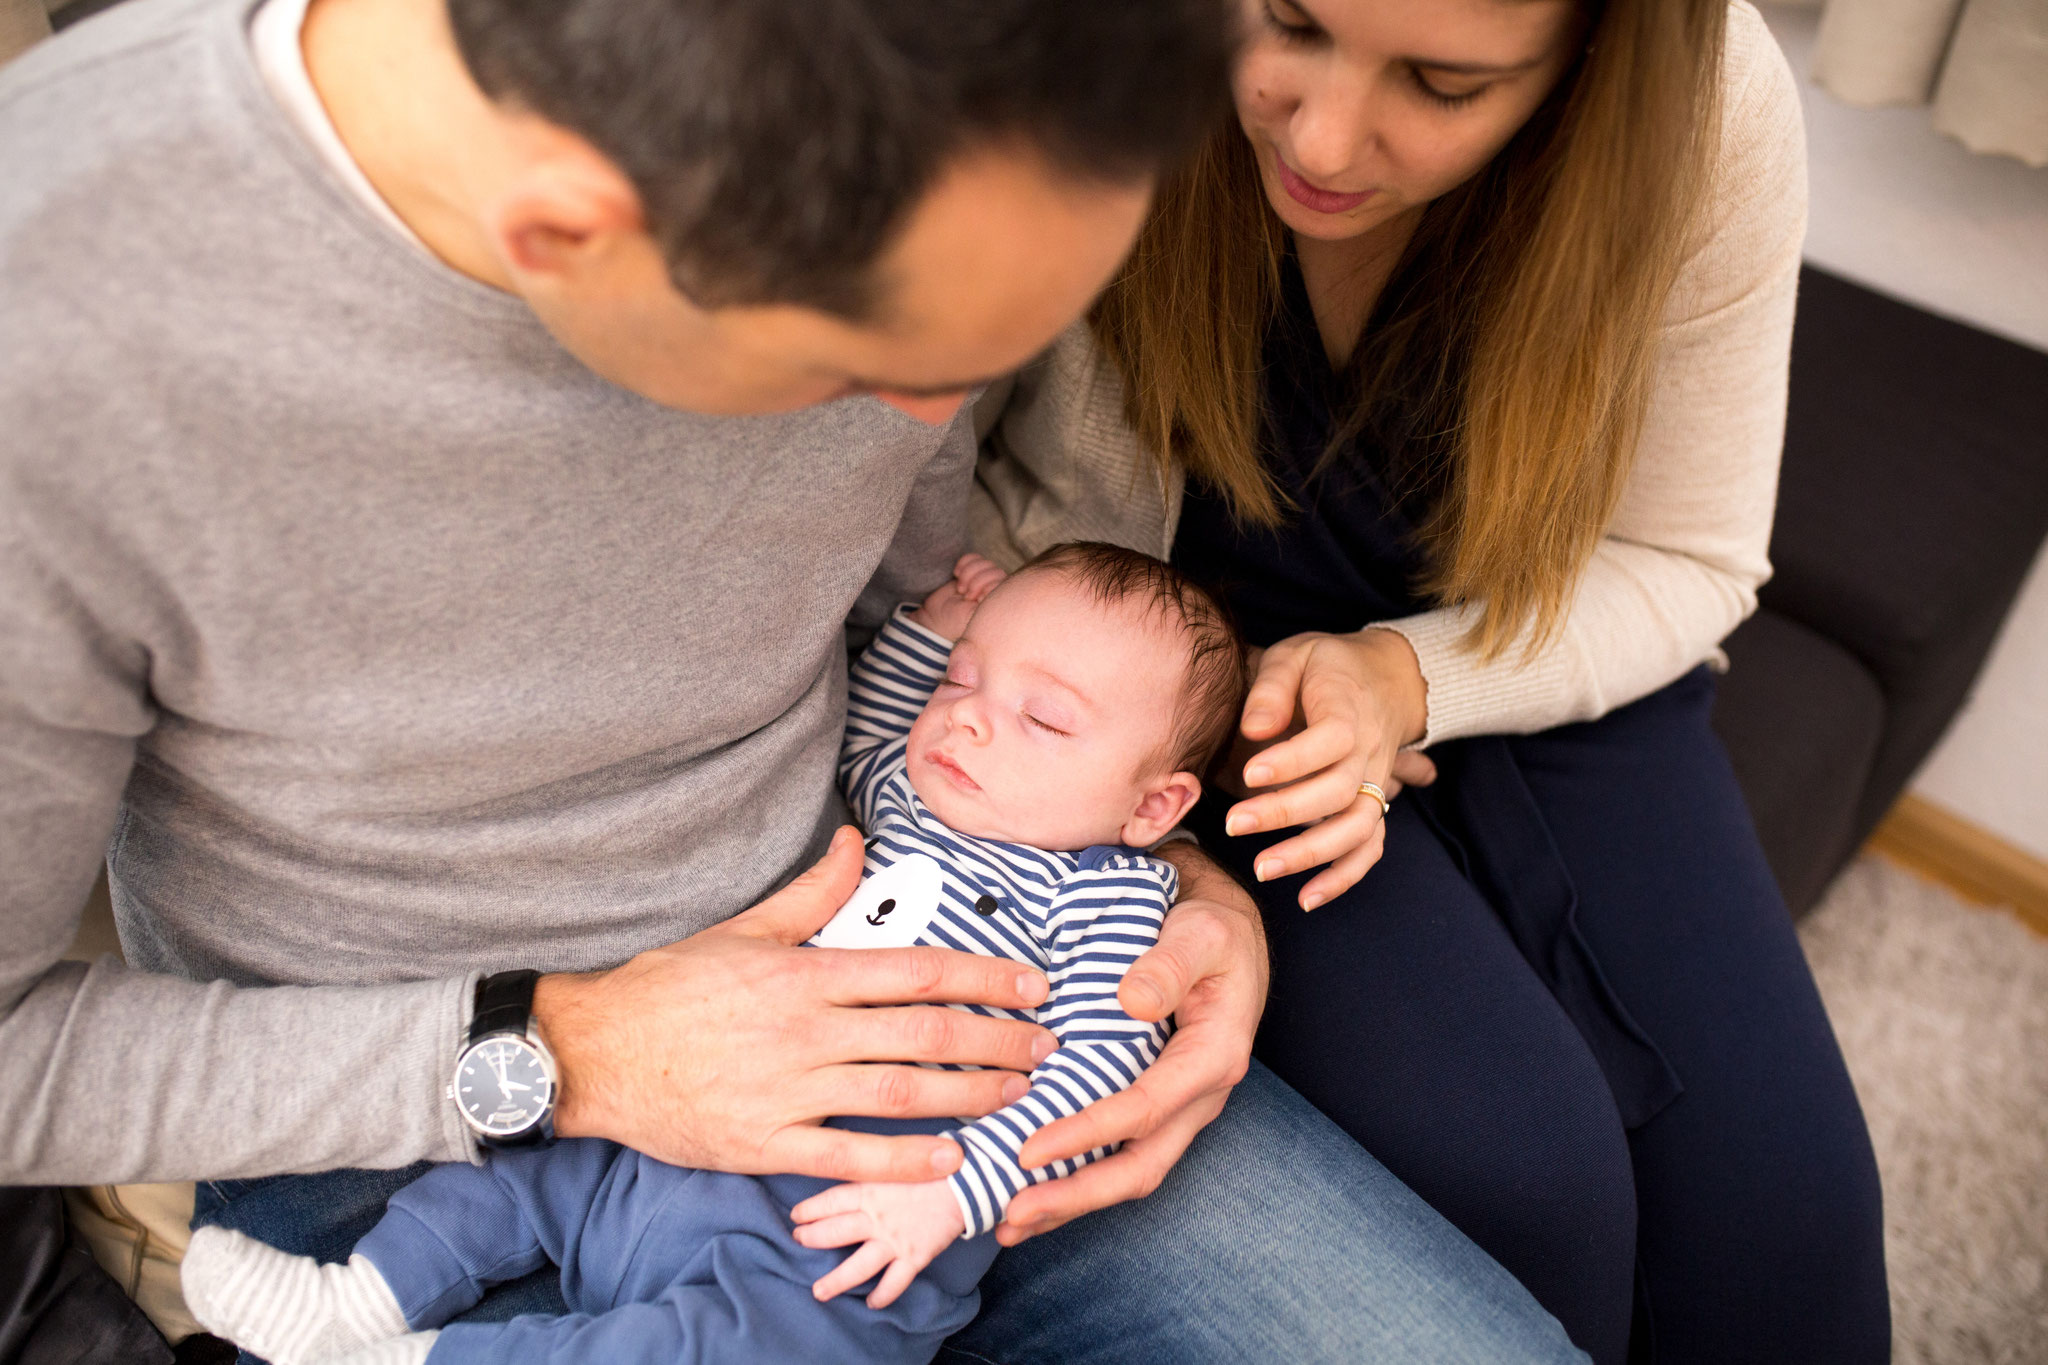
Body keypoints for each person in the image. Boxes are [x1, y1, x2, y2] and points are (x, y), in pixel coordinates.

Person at [0, 0, 1593, 1360]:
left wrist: (1149, 860)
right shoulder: (65, 336)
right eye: (862, 368)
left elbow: (930, 617)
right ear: (569, 238)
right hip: (412, 1116)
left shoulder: (907, 173)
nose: (922, 430)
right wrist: (565, 1050)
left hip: (930, 1026)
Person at [970, 0, 1891, 1361]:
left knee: (1792, 1229)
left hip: (1528, 650)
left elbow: (1687, 554)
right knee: (1525, 1182)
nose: (1326, 135)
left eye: (1447, 83)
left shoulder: (1704, 106)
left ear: (1588, 65)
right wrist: (1193, 716)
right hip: (1193, 702)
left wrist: (1402, 680)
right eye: (1287, 20)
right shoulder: (1080, 63)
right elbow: (930, 522)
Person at [177, 543, 1245, 1365]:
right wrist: (932, 628)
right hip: (670, 1108)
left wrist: (956, 1189)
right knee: (516, 1166)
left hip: (840, 1227)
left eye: (1042, 721)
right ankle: (354, 1301)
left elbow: (1099, 1066)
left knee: (723, 1350)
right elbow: (870, 722)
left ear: (1153, 805)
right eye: (961, 685)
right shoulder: (909, 795)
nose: (965, 725)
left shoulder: (1111, 898)